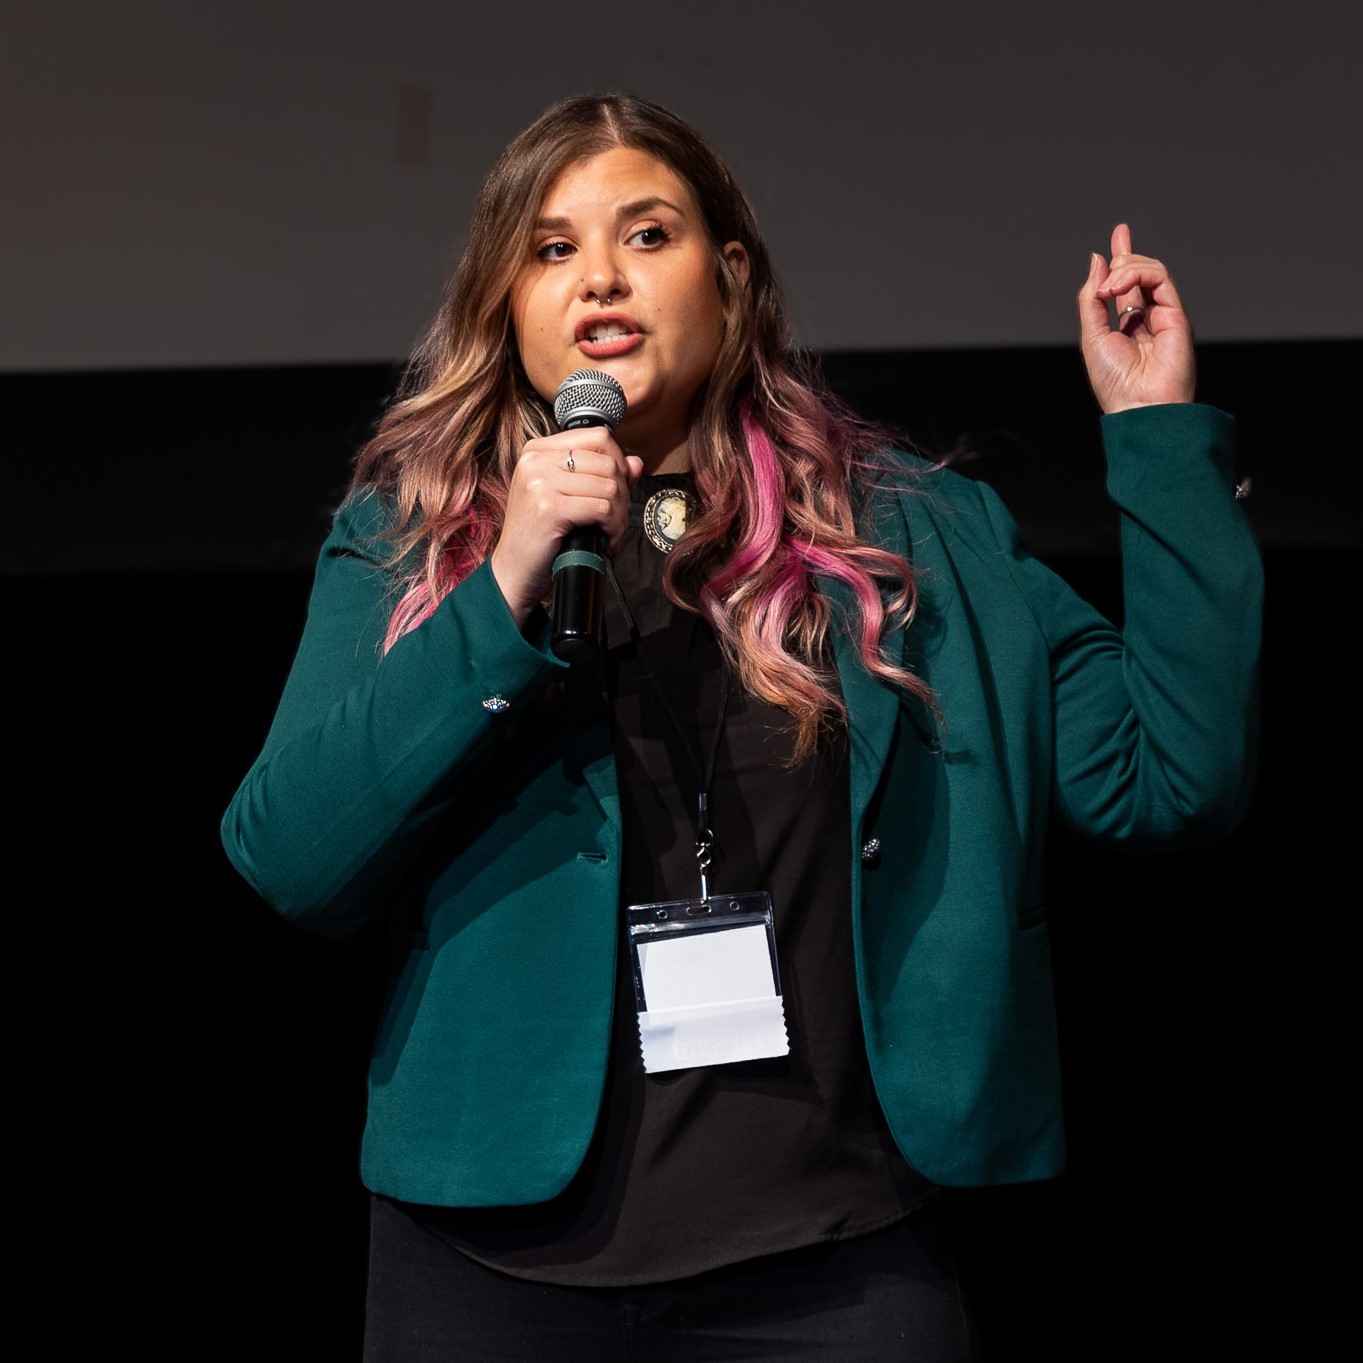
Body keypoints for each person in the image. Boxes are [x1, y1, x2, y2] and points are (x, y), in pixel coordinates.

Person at [220, 92, 1262, 1361]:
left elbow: (1168, 777)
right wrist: (502, 590)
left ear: (730, 275)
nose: (600, 277)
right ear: (506, 302)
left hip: (833, 1267)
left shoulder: (908, 534)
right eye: (550, 249)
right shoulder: (413, 542)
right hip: (490, 1276)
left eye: (646, 234)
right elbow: (292, 858)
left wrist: (1155, 437)